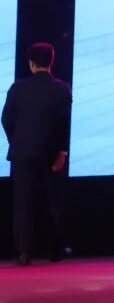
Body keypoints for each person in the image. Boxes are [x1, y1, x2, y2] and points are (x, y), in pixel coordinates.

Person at [2, 43, 71, 266]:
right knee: (53, 201)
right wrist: (61, 152)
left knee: (23, 203)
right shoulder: (62, 89)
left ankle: (24, 251)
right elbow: (63, 124)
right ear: (51, 61)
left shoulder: (17, 89)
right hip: (51, 153)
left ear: (31, 63)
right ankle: (56, 249)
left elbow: (6, 119)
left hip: (22, 153)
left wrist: (16, 141)